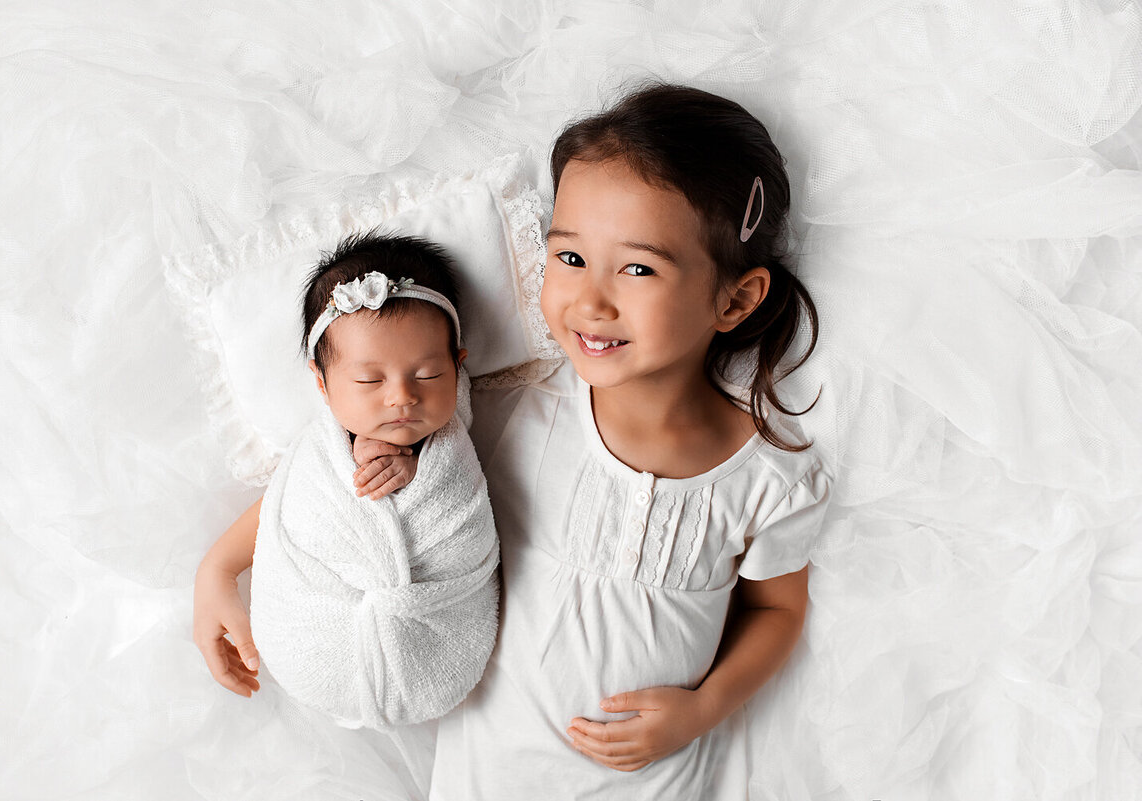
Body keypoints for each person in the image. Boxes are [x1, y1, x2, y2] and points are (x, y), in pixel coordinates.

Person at [193, 83, 831, 798]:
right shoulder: (517, 414)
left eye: (639, 268)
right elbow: (332, 491)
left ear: (735, 299)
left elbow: (777, 609)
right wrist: (220, 568)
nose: (590, 300)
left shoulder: (768, 477)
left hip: (654, 779)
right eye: (569, 258)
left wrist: (703, 707)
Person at [226, 232, 499, 729]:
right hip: (316, 637)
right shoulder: (317, 456)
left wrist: (417, 471)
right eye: (370, 381)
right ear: (321, 382)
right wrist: (216, 571)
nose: (401, 397)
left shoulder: (447, 448)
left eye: (428, 374)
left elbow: (460, 506)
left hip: (436, 636)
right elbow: (287, 513)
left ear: (458, 369)